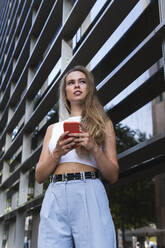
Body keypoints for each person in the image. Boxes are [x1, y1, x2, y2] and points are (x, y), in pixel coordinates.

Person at [35, 65, 119, 248]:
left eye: (82, 81)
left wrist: (94, 147)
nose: (77, 86)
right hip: (55, 193)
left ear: (89, 88)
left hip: (89, 189)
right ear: (65, 93)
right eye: (71, 83)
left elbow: (112, 175)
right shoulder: (53, 129)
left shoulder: (104, 123)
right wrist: (56, 153)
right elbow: (39, 176)